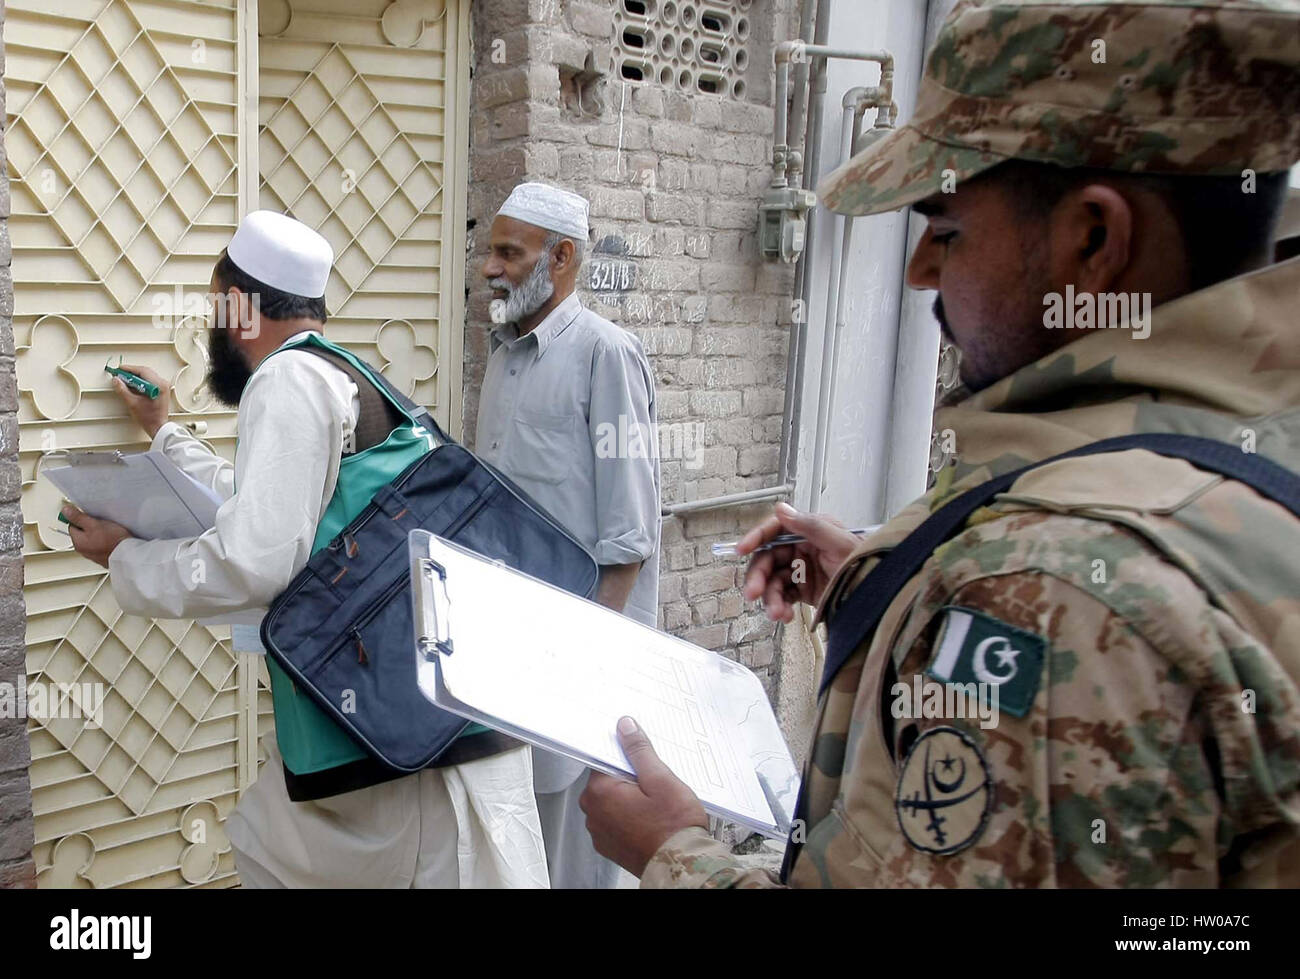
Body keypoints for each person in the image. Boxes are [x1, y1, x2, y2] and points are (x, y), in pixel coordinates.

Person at [581, 0, 1300, 887]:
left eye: (947, 228)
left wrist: (673, 853)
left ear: (1095, 240)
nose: (922, 267)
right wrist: (883, 582)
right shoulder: (1238, 449)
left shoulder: (1047, 589)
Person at [64, 210, 548, 889]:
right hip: (441, 715)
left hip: (406, 747)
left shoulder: (287, 380)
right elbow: (271, 502)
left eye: (213, 308)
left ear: (238, 306)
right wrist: (165, 431)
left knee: (268, 845)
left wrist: (124, 558)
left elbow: (256, 558)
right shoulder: (343, 373)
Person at [476, 182, 661, 888]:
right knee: (519, 852)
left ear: (561, 258)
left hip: (581, 663)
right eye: (490, 250)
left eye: (507, 253)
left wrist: (584, 667)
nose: (490, 268)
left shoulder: (605, 354)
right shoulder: (502, 356)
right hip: (509, 656)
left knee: (580, 862)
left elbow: (629, 534)